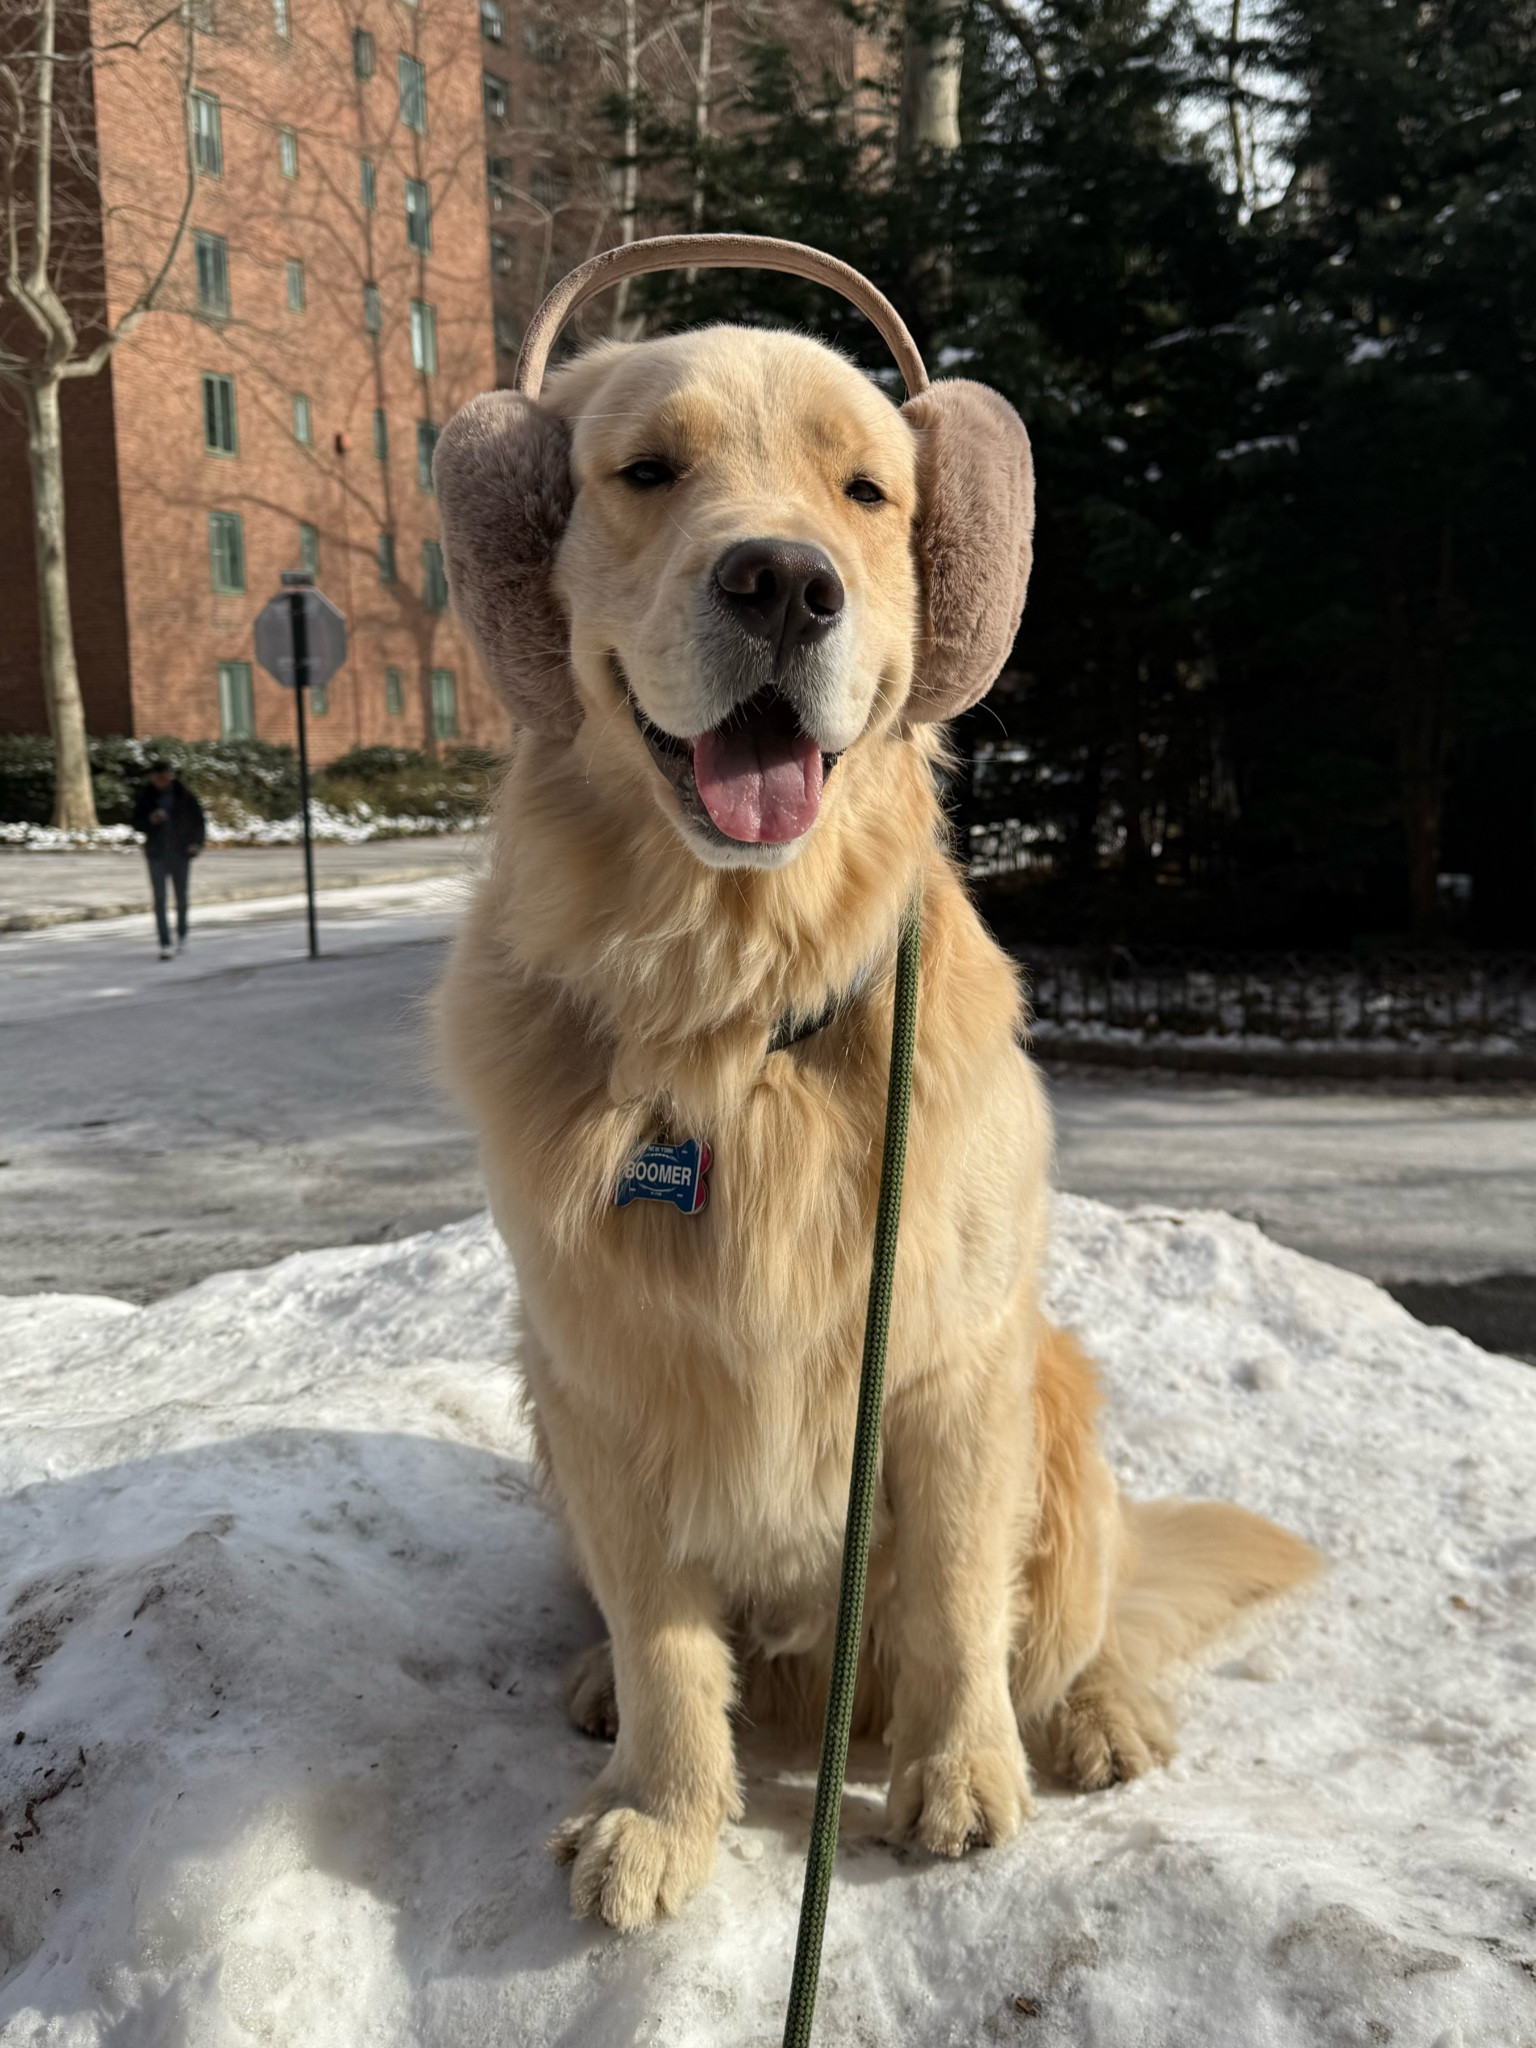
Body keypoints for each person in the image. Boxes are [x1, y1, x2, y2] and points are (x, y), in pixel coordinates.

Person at [132, 760, 205, 959]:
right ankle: (165, 942)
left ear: (170, 776)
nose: (161, 782)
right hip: (157, 853)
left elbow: (198, 821)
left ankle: (182, 933)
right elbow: (136, 821)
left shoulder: (183, 795)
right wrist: (149, 819)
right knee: (160, 899)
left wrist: (196, 843)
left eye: (164, 778)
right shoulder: (146, 797)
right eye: (157, 778)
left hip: (180, 853)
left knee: (181, 897)